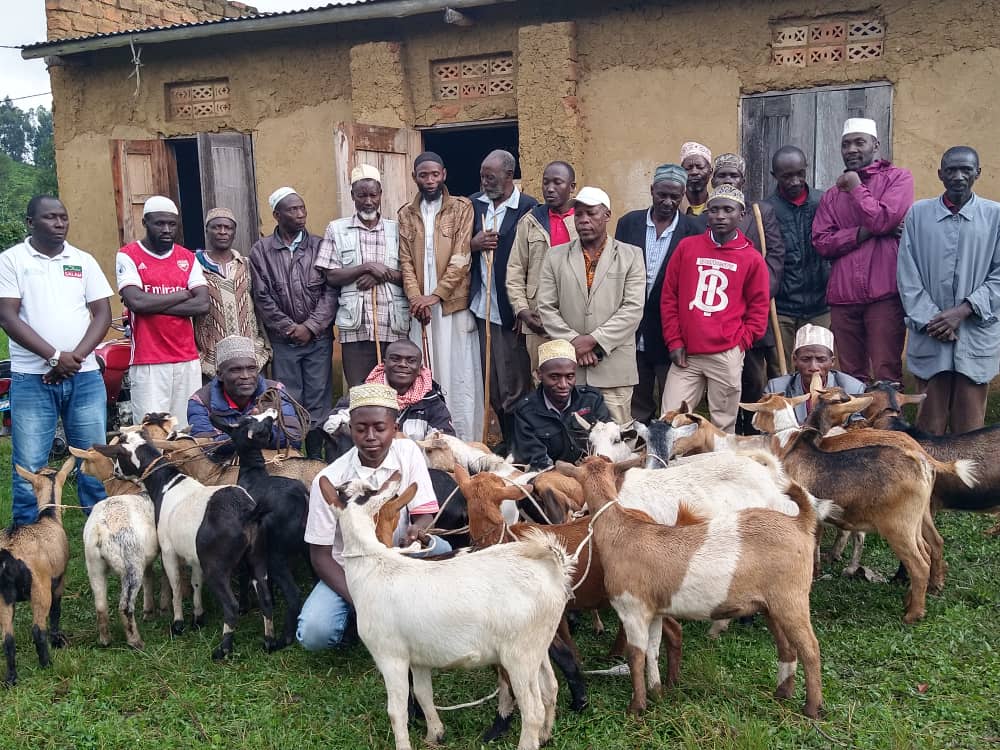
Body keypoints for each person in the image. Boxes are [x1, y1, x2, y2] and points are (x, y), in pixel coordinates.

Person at [297, 383, 452, 651]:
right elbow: (320, 556)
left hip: (400, 557)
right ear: (350, 428)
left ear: (394, 428)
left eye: (380, 428)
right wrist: (363, 600)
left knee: (444, 550)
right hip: (351, 569)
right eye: (361, 428)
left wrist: (417, 529)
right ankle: (356, 619)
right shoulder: (330, 479)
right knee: (314, 633)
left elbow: (424, 513)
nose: (370, 436)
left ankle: (423, 611)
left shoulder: (408, 452)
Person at [0, 196, 112, 524]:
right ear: (30, 222)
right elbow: (7, 316)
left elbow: (103, 314)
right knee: (30, 468)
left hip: (85, 376)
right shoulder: (11, 260)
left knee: (94, 461)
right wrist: (53, 357)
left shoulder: (83, 260)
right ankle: (28, 540)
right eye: (50, 217)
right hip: (32, 379)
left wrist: (74, 359)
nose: (60, 223)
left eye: (63, 217)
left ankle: (101, 535)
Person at [897, 146, 1000, 435]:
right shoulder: (918, 214)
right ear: (940, 174)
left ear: (978, 173)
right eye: (951, 170)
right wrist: (934, 319)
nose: (958, 176)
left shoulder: (995, 216)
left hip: (974, 330)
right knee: (929, 427)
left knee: (970, 431)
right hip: (931, 332)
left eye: (966, 169)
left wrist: (964, 310)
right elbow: (907, 274)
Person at [660, 185, 770, 433]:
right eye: (714, 210)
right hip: (687, 353)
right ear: (707, 213)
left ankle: (719, 460)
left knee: (723, 425)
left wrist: (740, 343)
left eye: (728, 210)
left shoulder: (751, 258)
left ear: (741, 215)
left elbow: (758, 308)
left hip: (726, 352)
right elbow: (669, 297)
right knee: (670, 420)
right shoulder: (687, 247)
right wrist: (674, 341)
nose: (720, 216)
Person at [812, 118, 914, 384]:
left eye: (860, 142)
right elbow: (821, 242)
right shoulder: (832, 195)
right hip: (843, 297)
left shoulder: (898, 178)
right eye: (846, 144)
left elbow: (883, 219)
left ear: (875, 145)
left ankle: (888, 414)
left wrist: (856, 187)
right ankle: (856, 414)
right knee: (850, 377)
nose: (852, 149)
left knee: (886, 372)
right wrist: (863, 232)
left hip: (884, 294)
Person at [536, 187, 645, 423]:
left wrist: (594, 341)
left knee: (616, 436)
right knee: (571, 436)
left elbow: (633, 309)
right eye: (578, 214)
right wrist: (575, 343)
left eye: (591, 213)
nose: (583, 220)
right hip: (569, 371)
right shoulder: (555, 256)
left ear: (607, 215)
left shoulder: (631, 255)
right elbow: (546, 307)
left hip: (614, 369)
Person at [398, 152, 483, 441]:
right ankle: (422, 438)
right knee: (424, 366)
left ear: (444, 174)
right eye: (424, 175)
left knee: (458, 371)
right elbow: (405, 262)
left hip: (451, 304)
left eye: (435, 174)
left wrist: (435, 296)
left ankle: (462, 439)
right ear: (415, 178)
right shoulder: (405, 214)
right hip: (420, 309)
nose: (430, 180)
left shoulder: (462, 207)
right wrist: (415, 298)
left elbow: (462, 256)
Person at [249, 187, 338, 456]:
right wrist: (289, 328)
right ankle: (293, 454)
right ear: (277, 215)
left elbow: (331, 291)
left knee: (319, 397)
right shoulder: (261, 251)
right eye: (292, 210)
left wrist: (310, 327)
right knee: (288, 398)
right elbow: (262, 297)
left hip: (318, 339)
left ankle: (315, 455)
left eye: (302, 208)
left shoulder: (320, 245)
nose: (300, 214)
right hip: (284, 341)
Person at [614, 163, 702, 422]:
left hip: (670, 333)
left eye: (675, 196)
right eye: (662, 194)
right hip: (631, 329)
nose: (668, 202)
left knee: (672, 405)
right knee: (636, 401)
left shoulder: (694, 231)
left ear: (683, 195)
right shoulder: (629, 223)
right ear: (652, 190)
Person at [115, 195, 209, 428]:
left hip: (186, 358)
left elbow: (201, 305)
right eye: (159, 223)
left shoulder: (187, 258)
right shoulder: (128, 255)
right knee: (152, 433)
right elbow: (137, 302)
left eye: (172, 224)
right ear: (145, 222)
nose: (167, 229)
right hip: (148, 360)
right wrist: (181, 295)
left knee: (186, 430)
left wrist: (153, 304)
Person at [710, 152, 786, 434]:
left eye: (734, 175)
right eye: (722, 175)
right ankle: (727, 431)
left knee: (753, 377)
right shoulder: (711, 214)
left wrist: (759, 294)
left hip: (751, 312)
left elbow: (775, 255)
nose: (728, 180)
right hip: (718, 310)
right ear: (713, 180)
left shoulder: (759, 211)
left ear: (743, 180)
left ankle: (753, 430)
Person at [317, 165, 409, 387]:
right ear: (352, 196)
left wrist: (381, 274)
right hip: (356, 327)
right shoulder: (336, 229)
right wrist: (366, 268)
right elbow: (331, 276)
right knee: (360, 390)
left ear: (380, 195)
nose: (368, 201)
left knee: (394, 391)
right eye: (362, 195)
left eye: (373, 195)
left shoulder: (397, 229)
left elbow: (410, 276)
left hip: (393, 325)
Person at [469, 149, 538, 447]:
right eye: (483, 176)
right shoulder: (473, 205)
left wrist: (523, 309)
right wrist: (473, 244)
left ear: (509, 175)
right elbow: (454, 247)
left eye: (491, 177)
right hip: (481, 310)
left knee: (515, 383)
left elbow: (534, 261)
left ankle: (518, 444)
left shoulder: (528, 208)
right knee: (491, 383)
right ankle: (505, 442)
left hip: (511, 312)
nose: (485, 182)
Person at [507, 160, 578, 373]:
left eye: (557, 183)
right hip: (538, 319)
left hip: (575, 319)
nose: (550, 188)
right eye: (546, 182)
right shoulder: (530, 221)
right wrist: (522, 310)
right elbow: (515, 270)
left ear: (572, 187)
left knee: (575, 378)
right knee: (542, 376)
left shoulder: (584, 219)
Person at [765, 145, 830, 368]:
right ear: (774, 175)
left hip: (821, 305)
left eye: (800, 174)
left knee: (819, 369)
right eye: (787, 176)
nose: (795, 181)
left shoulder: (824, 202)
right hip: (782, 308)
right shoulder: (766, 210)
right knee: (781, 369)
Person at [187, 334, 303, 449]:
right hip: (226, 461)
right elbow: (205, 447)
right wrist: (245, 433)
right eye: (236, 370)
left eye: (251, 368)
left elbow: (294, 438)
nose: (246, 376)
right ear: (220, 375)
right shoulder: (200, 401)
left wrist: (267, 434)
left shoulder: (275, 391)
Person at [194, 207, 270, 380]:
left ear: (234, 232)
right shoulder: (195, 266)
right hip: (211, 358)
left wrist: (263, 344)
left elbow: (261, 303)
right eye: (216, 227)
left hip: (250, 354)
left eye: (228, 228)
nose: (222, 232)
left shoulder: (247, 265)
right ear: (207, 230)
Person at [511, 339, 611, 470]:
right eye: (554, 377)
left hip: (593, 473)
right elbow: (538, 462)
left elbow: (608, 444)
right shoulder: (526, 412)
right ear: (539, 375)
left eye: (570, 377)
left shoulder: (592, 400)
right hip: (550, 477)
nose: (563, 385)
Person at [328, 338, 455, 440]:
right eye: (395, 359)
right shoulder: (366, 391)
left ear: (420, 369)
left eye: (411, 361)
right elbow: (331, 423)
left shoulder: (430, 399)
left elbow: (446, 437)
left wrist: (408, 447)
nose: (402, 364)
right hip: (367, 460)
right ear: (384, 364)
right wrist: (366, 433)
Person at [765, 324, 865, 424]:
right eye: (806, 359)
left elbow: (859, 428)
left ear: (832, 362)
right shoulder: (776, 389)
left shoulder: (853, 389)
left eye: (821, 360)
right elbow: (767, 428)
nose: (813, 367)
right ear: (795, 360)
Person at [679, 141, 713, 216]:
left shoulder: (718, 206)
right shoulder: (673, 207)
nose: (694, 172)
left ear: (710, 172)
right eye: (688, 168)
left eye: (700, 167)